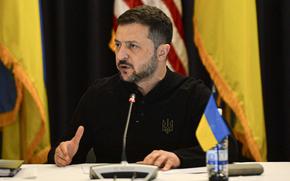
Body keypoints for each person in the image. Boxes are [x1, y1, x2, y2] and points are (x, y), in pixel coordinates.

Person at [48, 5, 218, 170]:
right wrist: (61, 154)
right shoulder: (98, 94)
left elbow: (225, 148)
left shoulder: (194, 94)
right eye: (118, 44)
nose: (121, 55)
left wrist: (179, 158)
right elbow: (66, 149)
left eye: (132, 46)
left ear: (162, 52)